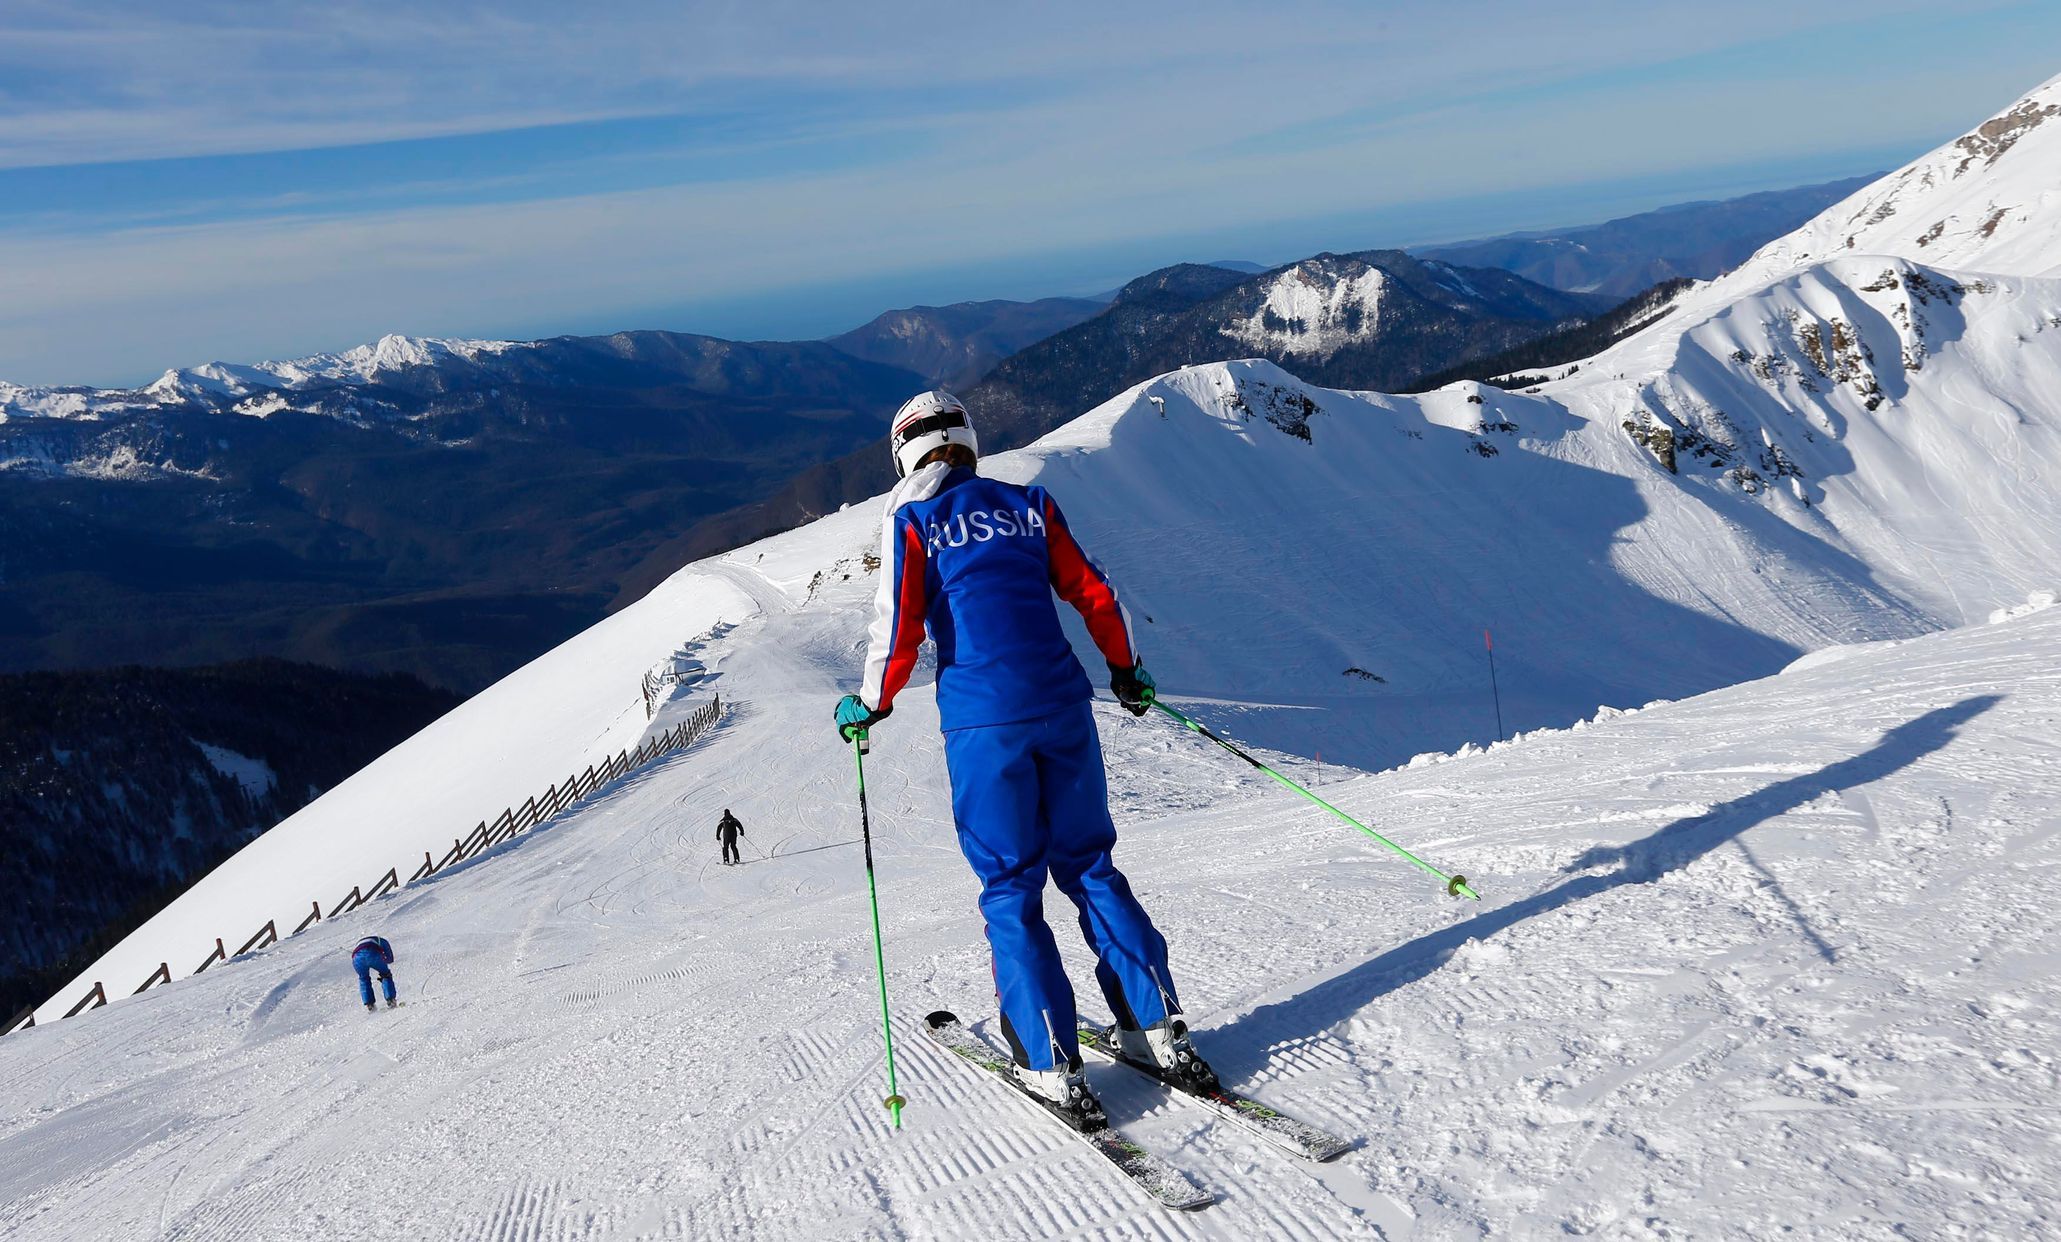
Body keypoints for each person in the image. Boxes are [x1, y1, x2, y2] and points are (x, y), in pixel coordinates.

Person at [833, 389, 1218, 1129]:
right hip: (1064, 707)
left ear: (903, 452)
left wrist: (871, 703)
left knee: (1010, 886)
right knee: (1090, 866)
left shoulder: (912, 517)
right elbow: (1096, 593)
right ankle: (1157, 1029)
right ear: (969, 443)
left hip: (984, 724)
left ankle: (1046, 1059)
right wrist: (1126, 671)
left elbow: (896, 625)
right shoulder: (1029, 504)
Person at [351, 934, 398, 1012]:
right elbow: (389, 957)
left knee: (363, 979)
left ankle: (370, 1004)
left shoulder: (359, 943)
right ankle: (391, 1000)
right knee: (385, 975)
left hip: (357, 958)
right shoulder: (381, 940)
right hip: (373, 953)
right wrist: (386, 961)